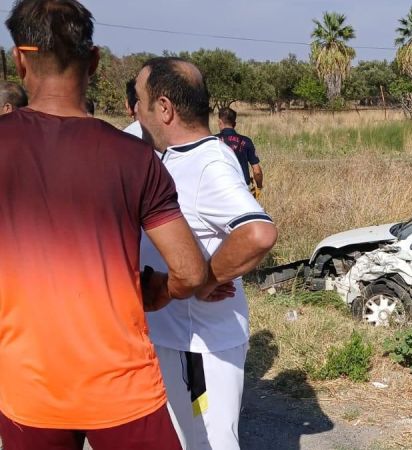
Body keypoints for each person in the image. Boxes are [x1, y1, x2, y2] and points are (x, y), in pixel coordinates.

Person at [0, 1, 207, 449]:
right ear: (93, 60)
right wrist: (158, 287)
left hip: (27, 387)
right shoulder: (134, 157)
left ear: (18, 59)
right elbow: (190, 271)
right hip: (121, 387)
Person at [136, 56, 278, 450]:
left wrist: (205, 280)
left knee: (207, 444)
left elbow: (258, 233)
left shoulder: (207, 163)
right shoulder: (178, 153)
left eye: (140, 100)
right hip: (176, 338)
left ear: (164, 108)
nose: (134, 110)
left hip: (197, 345)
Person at [216, 107, 263, 199]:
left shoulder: (213, 141)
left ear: (220, 122)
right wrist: (259, 187)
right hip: (242, 190)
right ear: (235, 124)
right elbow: (257, 171)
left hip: (219, 189)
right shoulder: (246, 141)